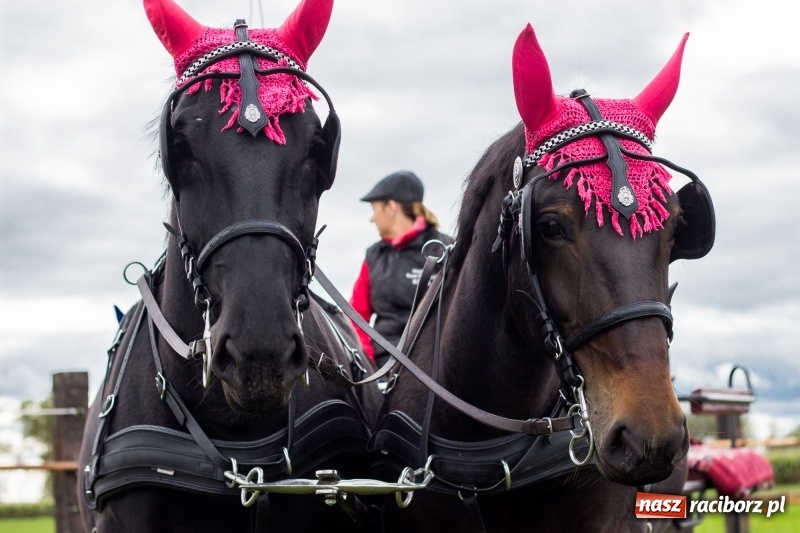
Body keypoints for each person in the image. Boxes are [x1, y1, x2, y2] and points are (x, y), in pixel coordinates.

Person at [349, 171, 454, 368]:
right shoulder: (373, 256)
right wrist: (367, 363)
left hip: (435, 371)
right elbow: (355, 317)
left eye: (374, 209)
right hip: (380, 369)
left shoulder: (447, 250)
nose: (372, 218)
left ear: (391, 207)